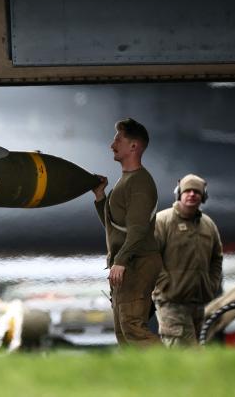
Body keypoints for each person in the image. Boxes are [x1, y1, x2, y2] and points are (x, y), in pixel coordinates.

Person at [92, 118, 162, 347]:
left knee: (132, 328)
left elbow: (139, 229)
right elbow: (115, 228)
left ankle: (177, 370)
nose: (113, 145)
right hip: (127, 263)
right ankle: (148, 380)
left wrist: (120, 261)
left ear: (134, 146)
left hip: (136, 262)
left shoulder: (139, 183)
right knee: (124, 333)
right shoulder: (125, 181)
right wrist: (101, 196)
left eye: (118, 139)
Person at [152, 174, 223, 347]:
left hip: (199, 304)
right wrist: (165, 284)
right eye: (188, 191)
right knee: (183, 352)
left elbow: (216, 259)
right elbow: (149, 257)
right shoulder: (163, 221)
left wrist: (211, 284)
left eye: (196, 192)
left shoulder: (208, 225)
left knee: (196, 355)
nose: (192, 194)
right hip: (171, 303)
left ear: (203, 196)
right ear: (179, 194)